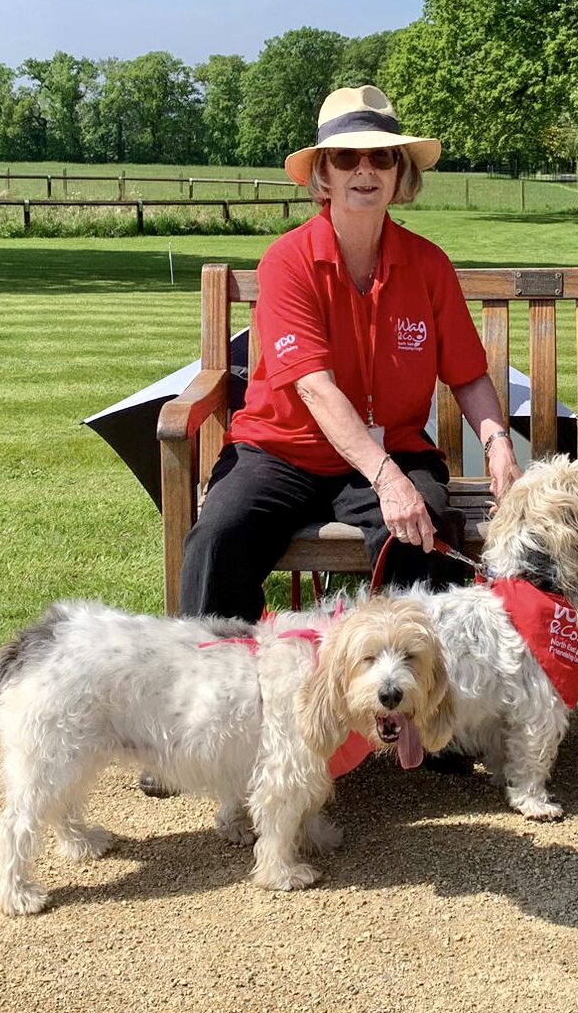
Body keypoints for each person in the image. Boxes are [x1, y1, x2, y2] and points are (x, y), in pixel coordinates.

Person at [179, 85, 520, 622]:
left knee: (419, 535)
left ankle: (405, 693)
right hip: (281, 451)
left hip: (398, 447)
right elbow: (314, 387)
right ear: (323, 175)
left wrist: (498, 445)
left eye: (381, 156)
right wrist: (386, 479)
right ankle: (212, 685)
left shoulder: (428, 264)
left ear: (399, 171)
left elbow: (469, 375)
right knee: (218, 538)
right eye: (346, 157)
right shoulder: (287, 261)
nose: (365, 170)